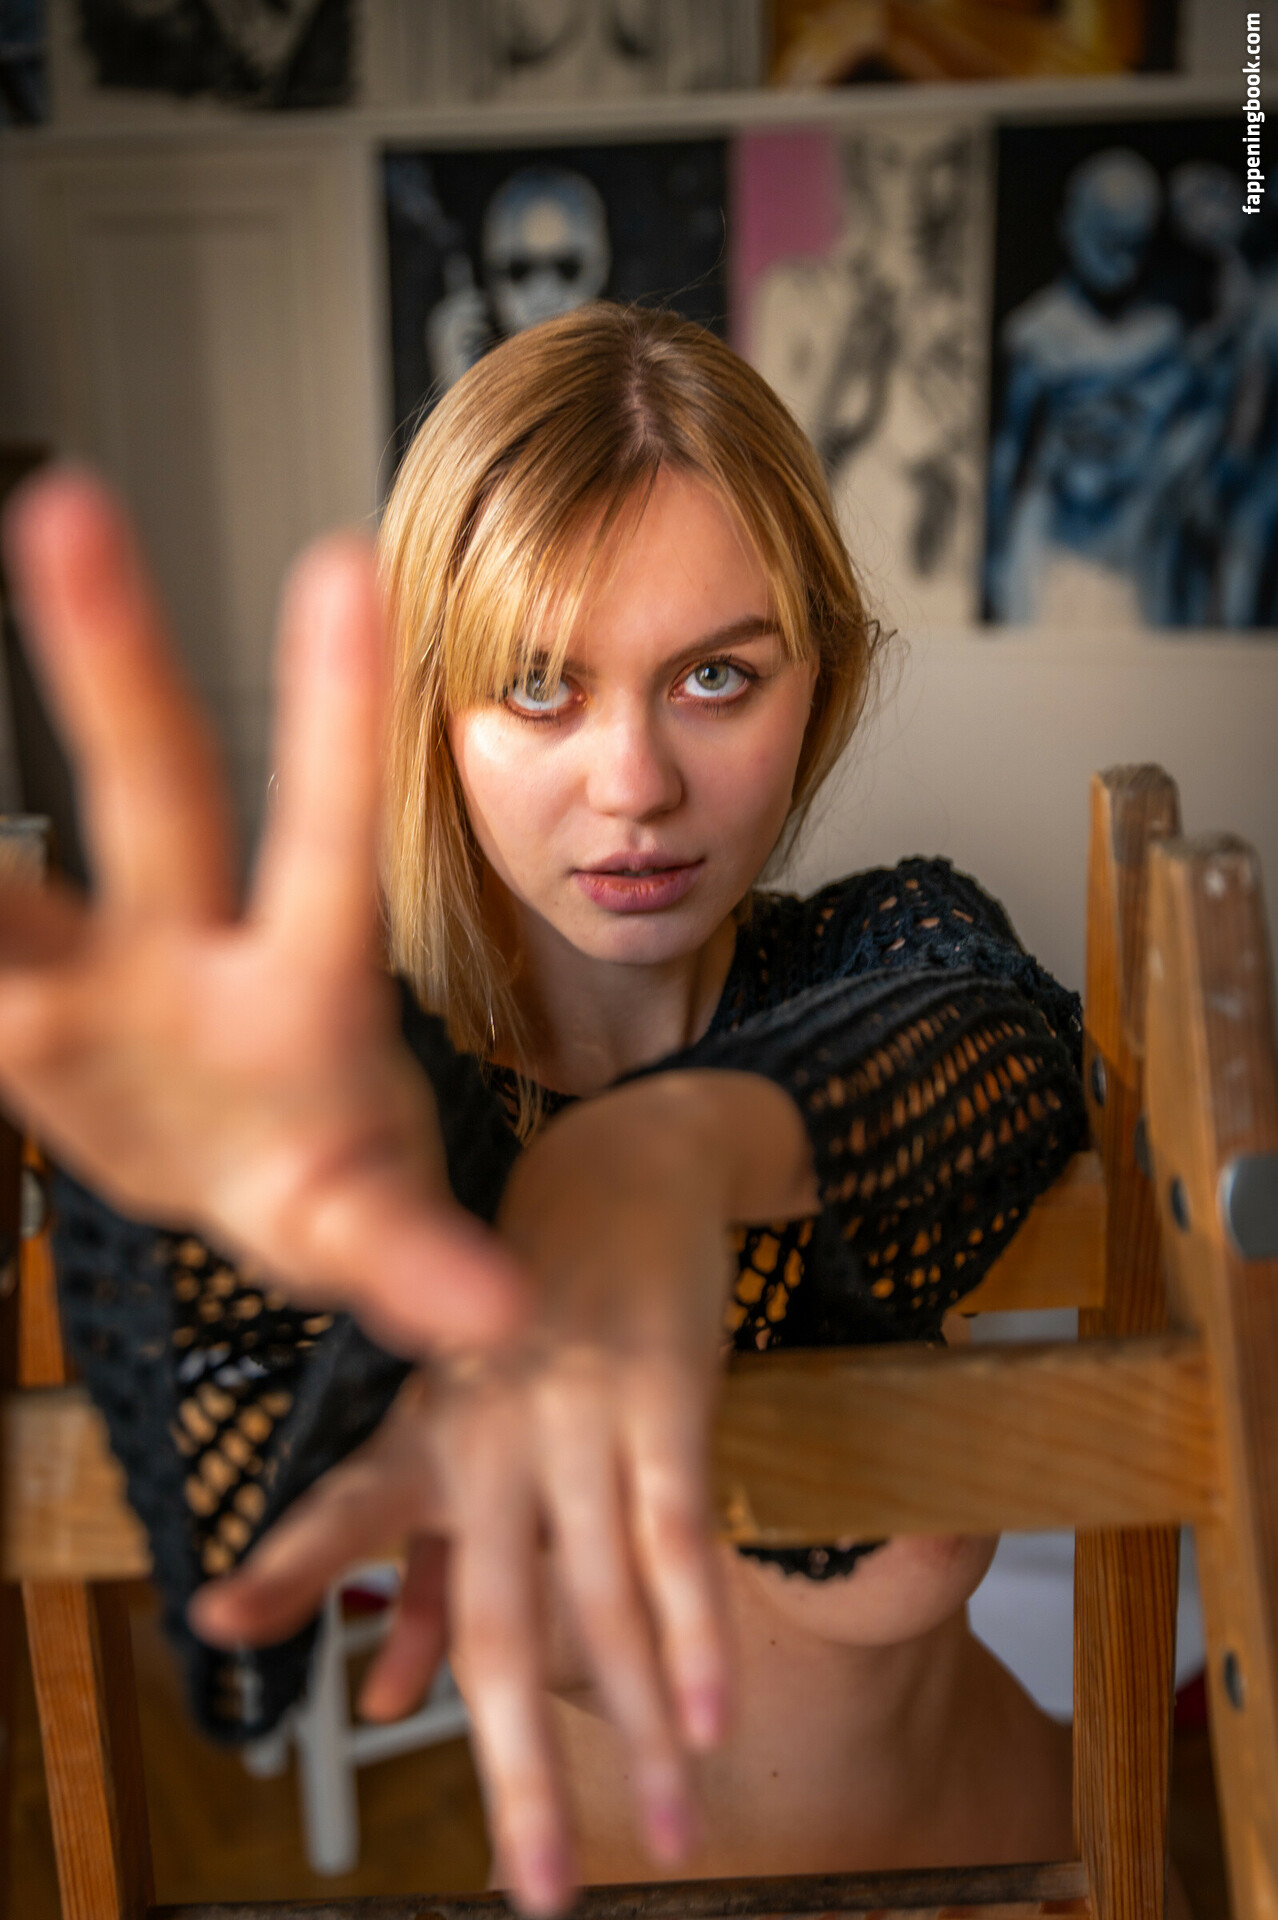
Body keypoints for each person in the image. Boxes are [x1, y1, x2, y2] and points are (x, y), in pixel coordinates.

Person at [0, 304, 1085, 1915]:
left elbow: (992, 1042)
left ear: (818, 682)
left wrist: (666, 1145)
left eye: (715, 676)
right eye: (536, 687)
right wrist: (189, 1224)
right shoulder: (397, 1119)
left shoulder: (885, 951)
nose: (634, 782)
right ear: (432, 712)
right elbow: (228, 1606)